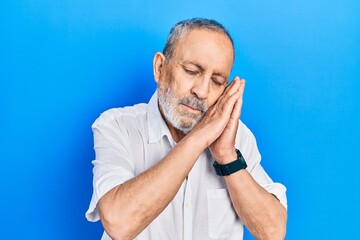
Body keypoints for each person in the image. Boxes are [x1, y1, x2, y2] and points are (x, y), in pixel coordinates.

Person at [86, 18, 288, 240]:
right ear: (160, 68)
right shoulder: (117, 126)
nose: (202, 91)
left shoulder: (237, 137)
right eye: (192, 71)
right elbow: (119, 223)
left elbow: (273, 232)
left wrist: (227, 157)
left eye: (218, 81)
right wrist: (198, 138)